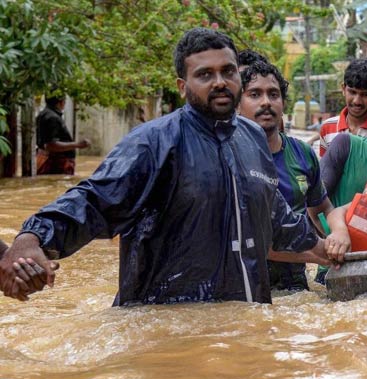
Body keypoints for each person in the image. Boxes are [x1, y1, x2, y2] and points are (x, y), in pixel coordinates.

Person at [0, 28, 332, 304]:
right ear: (182, 85)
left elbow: (273, 213)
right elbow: (93, 200)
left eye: (227, 71)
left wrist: (322, 249)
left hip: (245, 327)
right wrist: (32, 238)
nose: (219, 82)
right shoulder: (155, 142)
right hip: (166, 327)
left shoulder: (253, 138)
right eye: (204, 74)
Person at [237, 58, 338, 291]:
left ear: (283, 104)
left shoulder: (301, 152)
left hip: (296, 284)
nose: (266, 102)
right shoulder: (229, 158)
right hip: (248, 284)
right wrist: (318, 255)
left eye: (273, 94)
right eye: (254, 94)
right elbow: (248, 239)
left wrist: (338, 235)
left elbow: (323, 208)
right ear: (238, 104)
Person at [314, 58, 367, 156]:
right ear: (343, 89)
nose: (357, 101)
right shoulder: (327, 127)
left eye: (365, 95)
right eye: (352, 92)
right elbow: (325, 169)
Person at [35, 94, 91, 175]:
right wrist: (78, 144)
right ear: (61, 102)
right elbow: (50, 145)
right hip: (56, 163)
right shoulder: (52, 118)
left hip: (46, 160)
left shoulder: (43, 114)